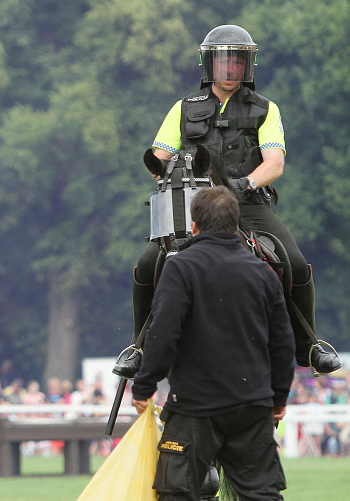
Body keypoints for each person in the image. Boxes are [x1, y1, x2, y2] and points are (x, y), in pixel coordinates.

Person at [114, 24, 340, 379]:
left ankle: (309, 345)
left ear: (247, 66)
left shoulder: (266, 109)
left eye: (237, 62)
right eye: (223, 62)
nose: (230, 69)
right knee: (146, 265)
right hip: (195, 204)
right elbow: (160, 154)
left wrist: (244, 183)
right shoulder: (183, 108)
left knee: (295, 262)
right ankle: (139, 347)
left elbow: (275, 163)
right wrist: (165, 174)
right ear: (210, 65)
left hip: (246, 201)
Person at [131, 186, 321, 501]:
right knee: (266, 496)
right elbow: (283, 342)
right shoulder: (263, 272)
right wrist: (279, 398)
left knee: (177, 493)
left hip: (194, 408)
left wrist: (144, 385)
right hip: (252, 405)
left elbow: (163, 333)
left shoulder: (181, 268)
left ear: (194, 224)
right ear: (237, 223)